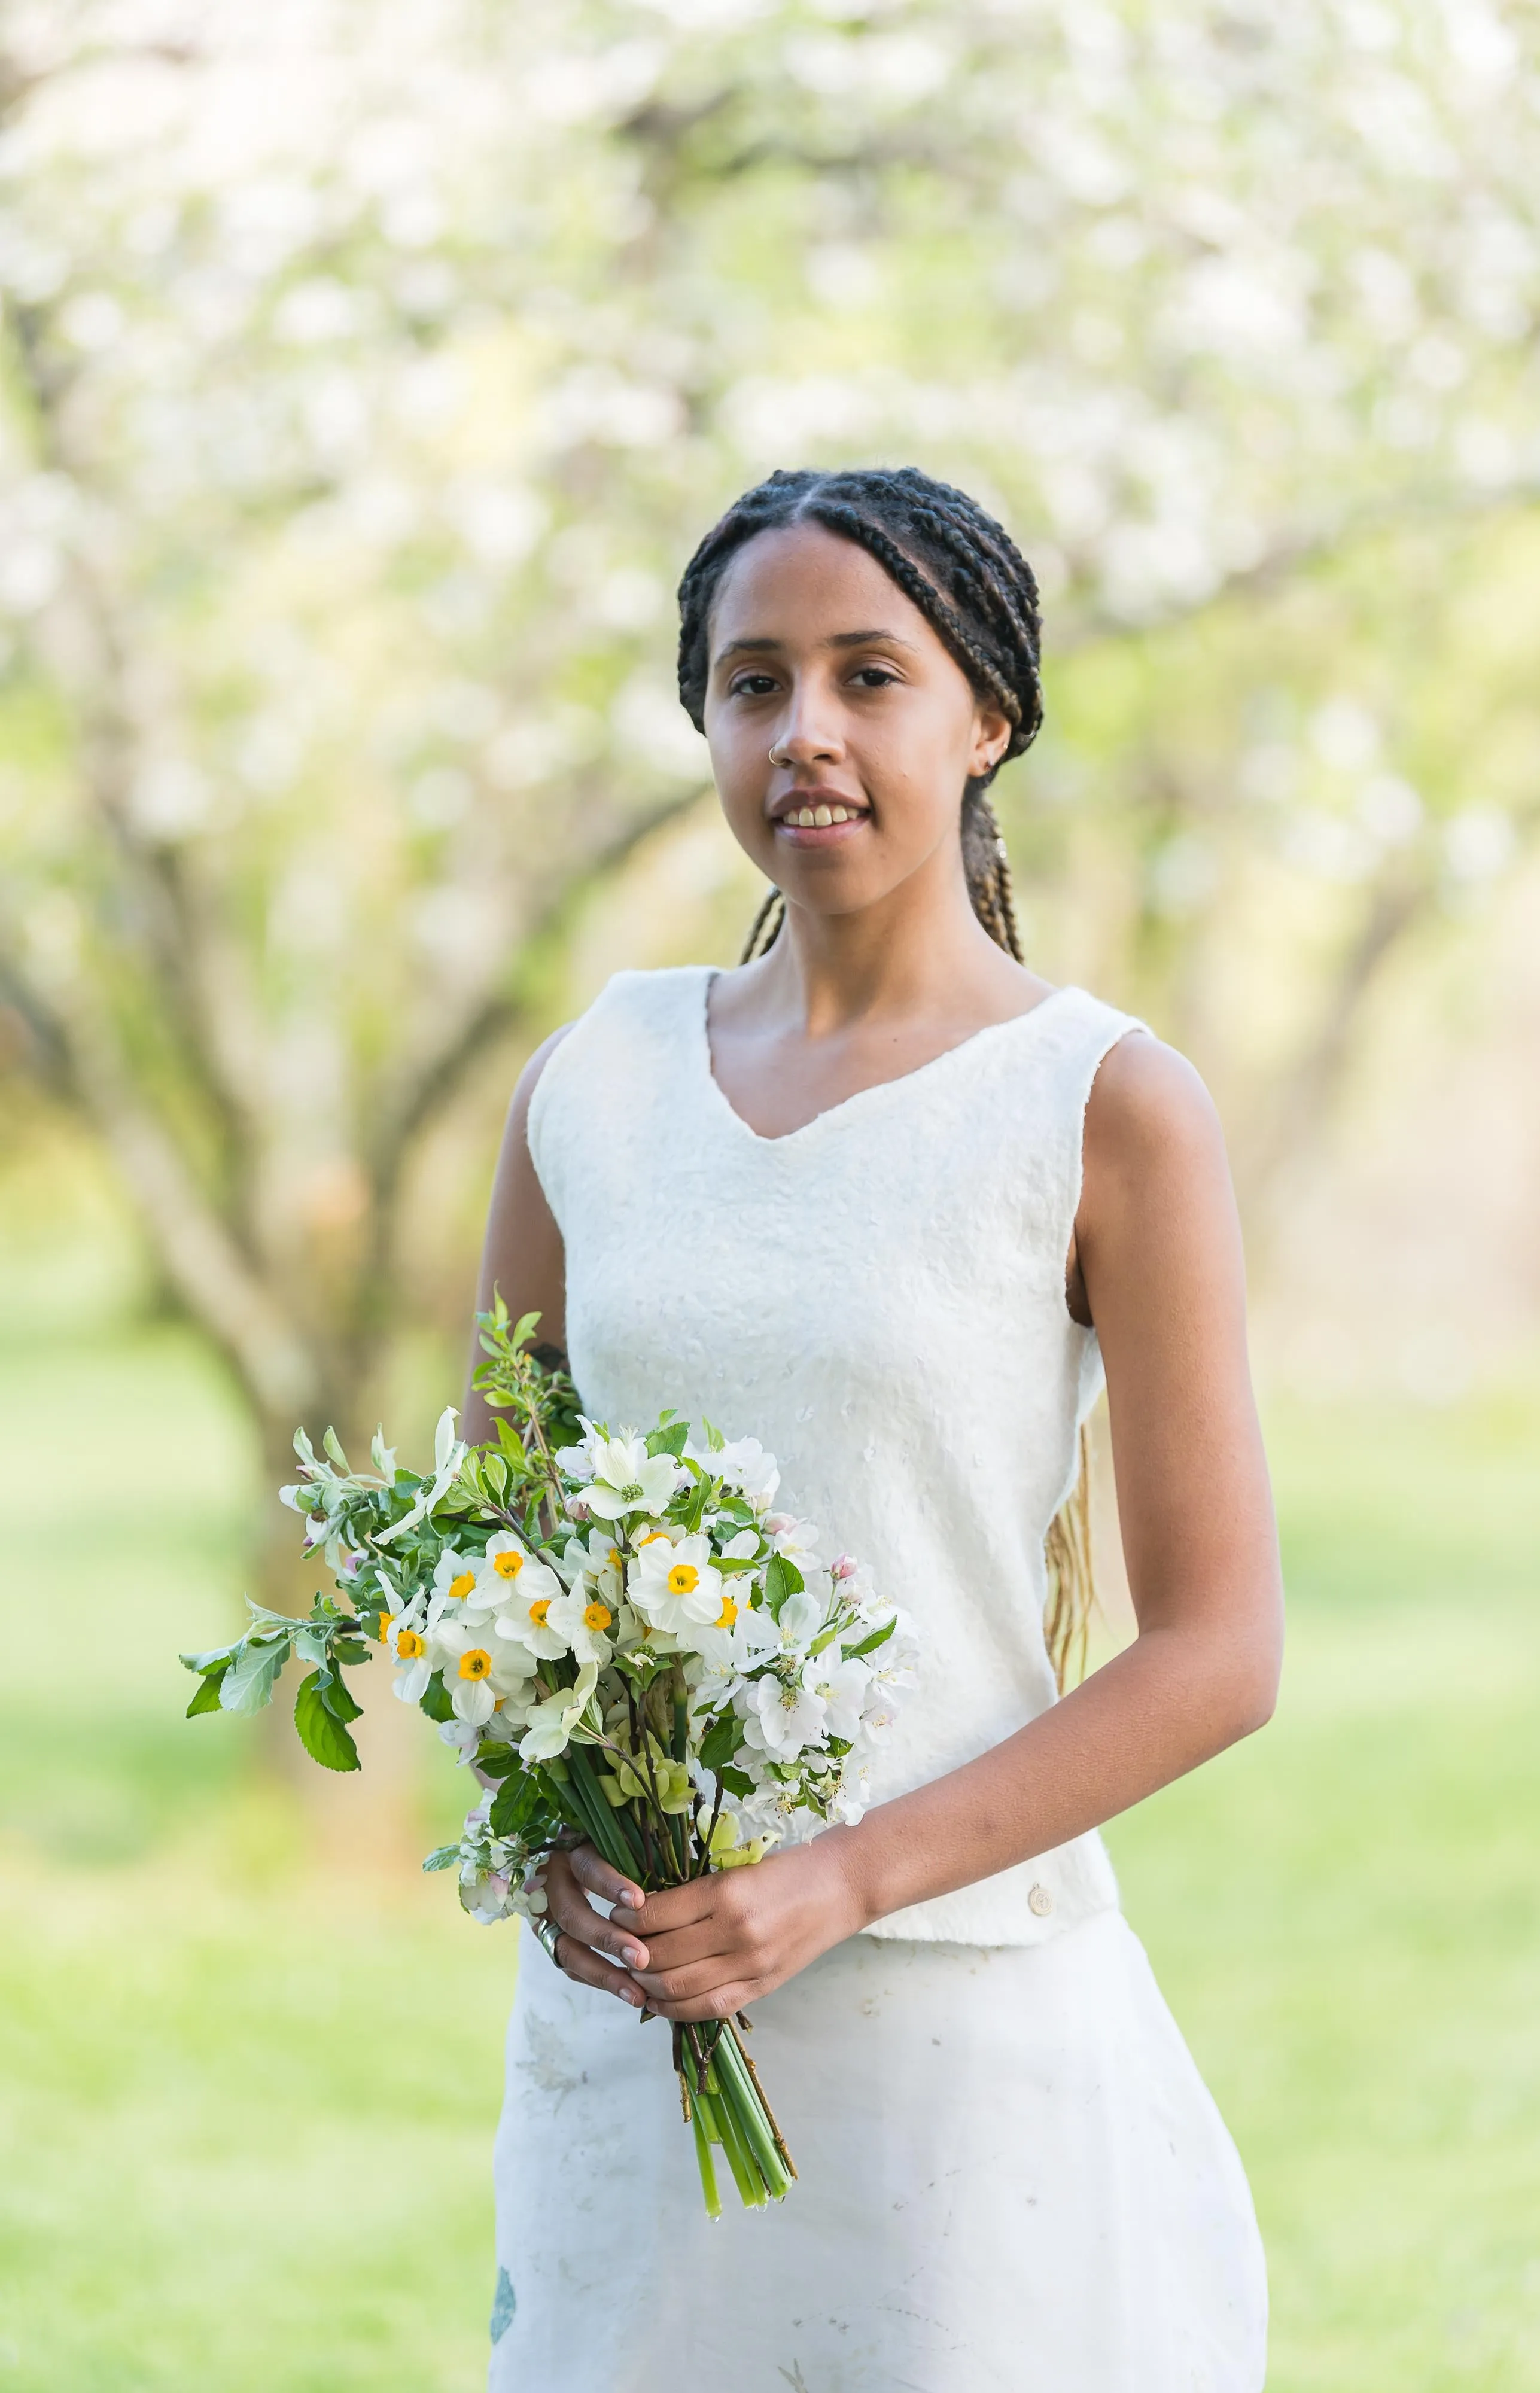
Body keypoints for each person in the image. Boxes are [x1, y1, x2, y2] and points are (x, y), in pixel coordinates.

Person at [462, 466, 1282, 2392]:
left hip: (953, 2025)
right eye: (752, 684)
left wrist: (831, 1882)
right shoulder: (590, 1083)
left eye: (868, 675)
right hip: (632, 2028)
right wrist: (563, 1824)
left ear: (983, 715)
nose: (804, 732)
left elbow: (1219, 1652)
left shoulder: (1101, 1106)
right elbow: (489, 1545)